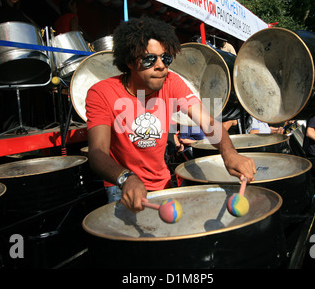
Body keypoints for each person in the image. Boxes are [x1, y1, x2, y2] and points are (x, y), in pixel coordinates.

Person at [85, 17, 256, 212]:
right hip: (121, 185)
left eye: (165, 58)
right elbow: (97, 153)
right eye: (150, 59)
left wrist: (229, 153)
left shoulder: (171, 83)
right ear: (130, 61)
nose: (160, 66)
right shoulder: (101, 93)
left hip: (161, 182)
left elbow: (208, 123)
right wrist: (126, 178)